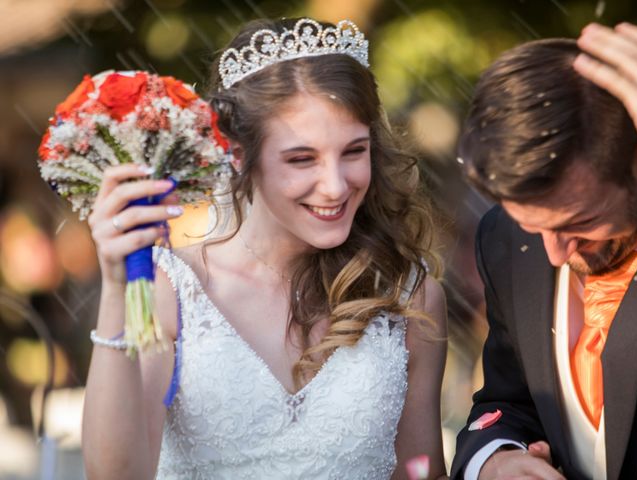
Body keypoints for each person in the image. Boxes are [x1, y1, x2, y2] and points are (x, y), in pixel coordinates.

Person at [81, 17, 448, 479]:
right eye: (301, 159)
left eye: (354, 151)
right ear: (241, 157)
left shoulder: (409, 296)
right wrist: (118, 290)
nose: (335, 186)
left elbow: (420, 471)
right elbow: (117, 475)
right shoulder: (171, 292)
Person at [450, 22, 637, 480]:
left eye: (582, 222)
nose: (555, 254)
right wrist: (494, 459)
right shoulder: (502, 239)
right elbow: (509, 398)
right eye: (533, 225)